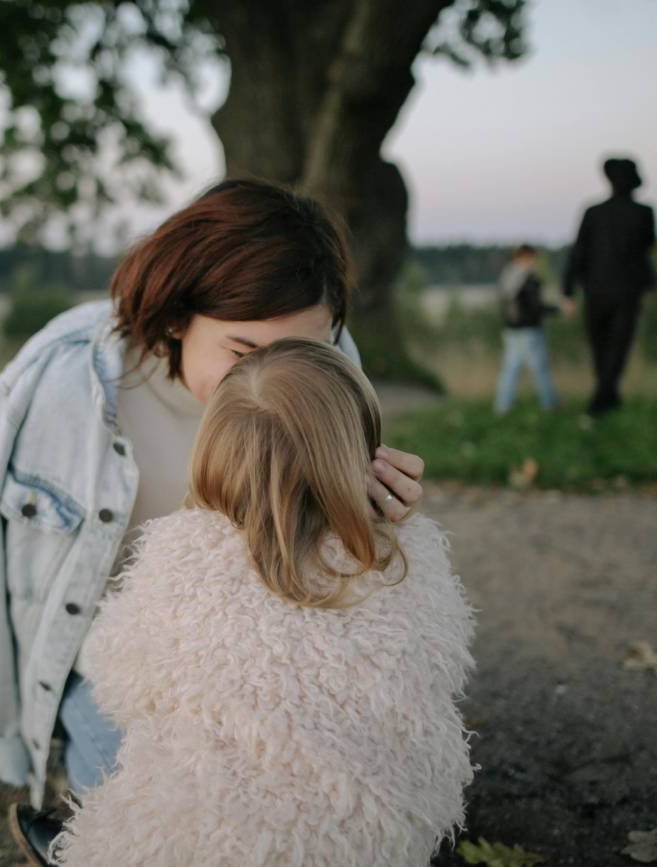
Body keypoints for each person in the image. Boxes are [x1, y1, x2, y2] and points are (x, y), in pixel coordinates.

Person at [0, 178, 430, 861]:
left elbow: (341, 574)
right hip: (124, 661)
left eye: (307, 353)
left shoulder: (336, 368)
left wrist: (378, 516)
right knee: (166, 808)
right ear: (175, 318)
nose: (281, 380)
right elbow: (11, 583)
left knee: (332, 806)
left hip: (272, 658)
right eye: (244, 350)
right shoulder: (62, 387)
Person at [45, 338, 476, 866]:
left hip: (199, 847)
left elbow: (121, 685)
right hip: (372, 840)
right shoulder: (403, 553)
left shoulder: (183, 550)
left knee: (84, 703)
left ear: (213, 447)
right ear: (362, 451)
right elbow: (443, 670)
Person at [564, 156, 657, 415]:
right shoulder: (644, 213)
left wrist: (568, 290)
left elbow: (577, 253)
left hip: (596, 290)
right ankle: (607, 397)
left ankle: (602, 399)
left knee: (601, 346)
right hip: (627, 291)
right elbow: (648, 246)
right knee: (617, 346)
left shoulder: (593, 213)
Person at [494, 243, 561, 415]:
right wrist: (557, 310)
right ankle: (550, 403)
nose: (534, 262)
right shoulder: (528, 279)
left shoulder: (508, 276)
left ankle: (503, 405)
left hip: (511, 329)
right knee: (540, 368)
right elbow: (535, 307)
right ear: (526, 257)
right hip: (529, 329)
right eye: (533, 258)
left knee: (510, 369)